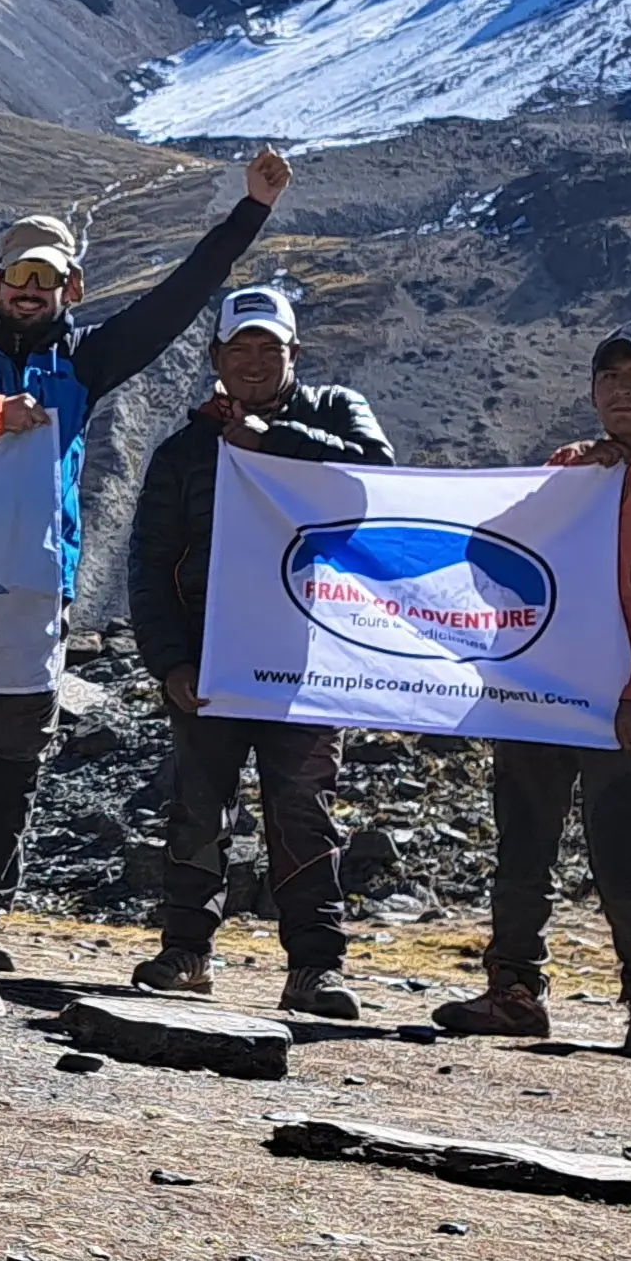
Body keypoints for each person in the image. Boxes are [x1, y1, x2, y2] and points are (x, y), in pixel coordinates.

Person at [0, 147, 293, 969]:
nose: (31, 291)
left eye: (47, 280)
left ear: (68, 290)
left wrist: (250, 211)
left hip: (31, 587)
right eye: (19, 276)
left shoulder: (84, 361)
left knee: (8, 760)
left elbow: (178, 298)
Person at [432, 318, 631, 1063]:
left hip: (621, 699)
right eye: (609, 378)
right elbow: (495, 554)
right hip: (538, 686)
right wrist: (570, 485)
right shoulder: (573, 465)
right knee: (522, 843)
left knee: (620, 851)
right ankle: (513, 992)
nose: (622, 392)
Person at [125, 285, 395, 1017]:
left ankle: (315, 966)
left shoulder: (336, 410)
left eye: (267, 348)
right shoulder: (184, 449)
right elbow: (148, 562)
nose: (251, 360)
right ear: (215, 357)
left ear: (294, 355)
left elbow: (377, 471)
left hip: (308, 655)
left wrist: (268, 440)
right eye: (237, 348)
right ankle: (185, 952)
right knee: (195, 806)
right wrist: (169, 662)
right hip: (210, 659)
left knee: (302, 809)